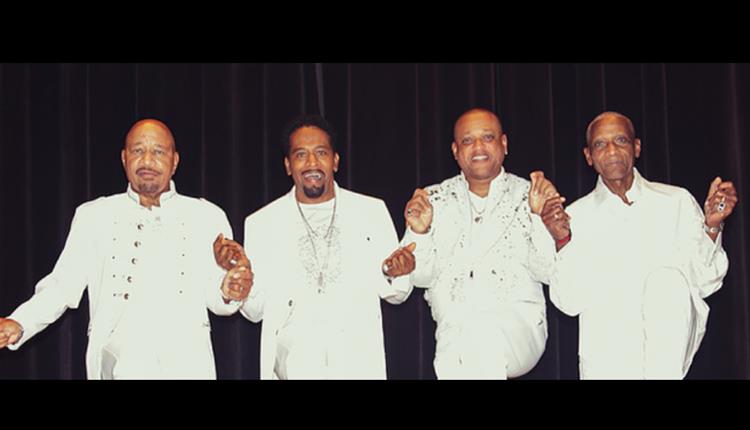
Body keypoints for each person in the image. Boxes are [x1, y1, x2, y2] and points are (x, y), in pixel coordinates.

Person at [0, 119, 252, 379]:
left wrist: (229, 290)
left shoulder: (206, 216)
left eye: (158, 151)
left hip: (187, 365)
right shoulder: (94, 216)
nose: (147, 160)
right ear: (124, 158)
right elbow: (62, 286)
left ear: (175, 161)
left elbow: (219, 300)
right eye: (137, 150)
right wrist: (21, 323)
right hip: (117, 365)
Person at [214, 114, 415, 379]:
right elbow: (255, 311)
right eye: (300, 155)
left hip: (358, 366)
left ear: (335, 160)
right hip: (292, 369)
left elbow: (397, 293)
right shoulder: (262, 223)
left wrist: (395, 271)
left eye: (321, 152)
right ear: (288, 165)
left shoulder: (371, 212)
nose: (311, 163)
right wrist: (243, 283)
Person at [541, 111, 737, 379]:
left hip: (668, 359)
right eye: (600, 144)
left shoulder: (675, 201)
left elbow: (707, 282)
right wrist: (562, 240)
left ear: (636, 147)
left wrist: (711, 226)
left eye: (620, 140)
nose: (611, 150)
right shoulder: (575, 217)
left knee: (665, 282)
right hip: (607, 358)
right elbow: (569, 303)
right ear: (588, 156)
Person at [400, 108, 558, 379]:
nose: (478, 147)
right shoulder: (433, 198)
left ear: (504, 144)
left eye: (487, 137)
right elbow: (422, 277)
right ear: (455, 150)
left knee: (476, 341)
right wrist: (420, 233)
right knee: (457, 352)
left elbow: (547, 271)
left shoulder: (529, 195)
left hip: (518, 326)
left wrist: (537, 216)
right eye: (467, 140)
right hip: (455, 334)